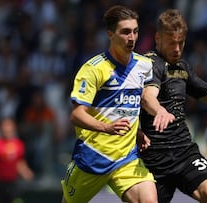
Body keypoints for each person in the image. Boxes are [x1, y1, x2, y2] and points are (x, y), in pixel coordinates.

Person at [139, 9, 207, 203]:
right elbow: (147, 97)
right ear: (157, 38)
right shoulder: (149, 63)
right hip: (153, 159)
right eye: (171, 43)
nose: (176, 49)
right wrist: (160, 111)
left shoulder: (182, 68)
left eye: (180, 43)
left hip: (184, 153)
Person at [60, 5, 157, 203]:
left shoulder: (144, 66)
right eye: (125, 32)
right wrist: (107, 127)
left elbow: (128, 107)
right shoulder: (93, 69)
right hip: (92, 158)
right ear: (110, 34)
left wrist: (136, 132)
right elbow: (76, 115)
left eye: (135, 31)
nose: (132, 37)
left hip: (126, 159)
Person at [0, 118, 34, 203]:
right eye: (5, 126)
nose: (7, 129)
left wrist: (26, 173)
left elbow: (19, 163)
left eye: (9, 126)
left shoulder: (18, 145)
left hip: (13, 184)